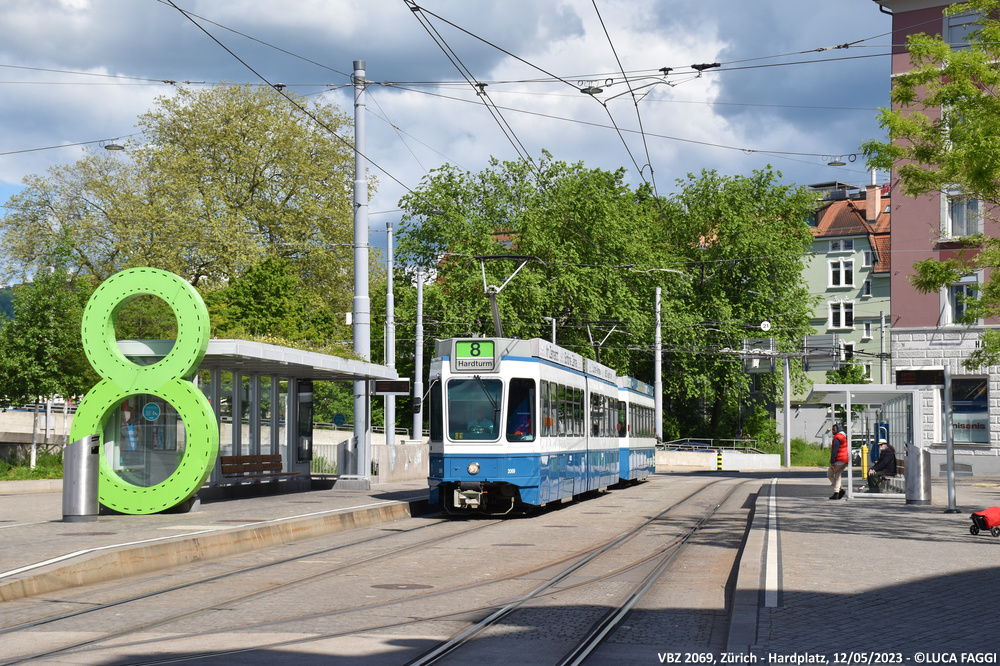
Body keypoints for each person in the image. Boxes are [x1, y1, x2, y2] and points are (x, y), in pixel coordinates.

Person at [827, 423, 849, 500]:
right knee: (838, 476)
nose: (832, 431)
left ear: (838, 429)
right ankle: (836, 493)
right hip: (845, 460)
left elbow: (834, 451)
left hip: (839, 460)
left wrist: (832, 462)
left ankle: (840, 490)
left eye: (834, 429)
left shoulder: (837, 438)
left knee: (829, 474)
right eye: (832, 429)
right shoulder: (844, 436)